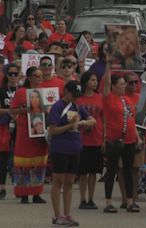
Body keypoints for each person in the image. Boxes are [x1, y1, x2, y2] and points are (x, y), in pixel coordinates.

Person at [48, 80, 96, 226]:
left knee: (69, 182)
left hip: (75, 148)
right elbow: (53, 130)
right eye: (73, 94)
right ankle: (57, 215)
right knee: (58, 181)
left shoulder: (77, 106)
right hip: (60, 148)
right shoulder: (57, 107)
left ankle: (67, 214)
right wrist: (70, 125)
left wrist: (83, 123)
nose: (76, 97)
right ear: (66, 92)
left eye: (78, 95)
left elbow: (92, 120)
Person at [102, 61, 141, 213]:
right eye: (120, 84)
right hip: (114, 140)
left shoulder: (128, 99)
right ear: (113, 86)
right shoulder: (108, 98)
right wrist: (108, 67)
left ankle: (130, 201)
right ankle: (108, 202)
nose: (123, 86)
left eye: (124, 84)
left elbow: (132, 120)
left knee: (128, 170)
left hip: (129, 139)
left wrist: (138, 138)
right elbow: (105, 82)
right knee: (111, 171)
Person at [9, 67, 48, 204]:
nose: (39, 77)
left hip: (39, 130)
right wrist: (25, 109)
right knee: (23, 161)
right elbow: (12, 111)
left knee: (39, 162)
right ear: (29, 77)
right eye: (37, 75)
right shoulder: (21, 92)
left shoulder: (44, 92)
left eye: (41, 75)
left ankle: (36, 193)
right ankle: (23, 193)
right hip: (24, 131)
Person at [0, 63, 20, 200]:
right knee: (4, 157)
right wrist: (8, 111)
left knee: (20, 156)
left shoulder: (23, 89)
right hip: (5, 126)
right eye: (10, 74)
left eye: (16, 74)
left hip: (21, 126)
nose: (13, 76)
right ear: (6, 75)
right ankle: (2, 188)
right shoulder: (2, 91)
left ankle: (19, 186)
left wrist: (18, 112)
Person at [77, 71, 104, 210]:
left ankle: (91, 198)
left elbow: (103, 118)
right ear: (86, 82)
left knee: (93, 171)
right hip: (82, 139)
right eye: (92, 80)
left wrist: (104, 138)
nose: (95, 82)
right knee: (82, 172)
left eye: (96, 80)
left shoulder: (100, 98)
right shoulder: (79, 99)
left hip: (97, 138)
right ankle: (82, 199)